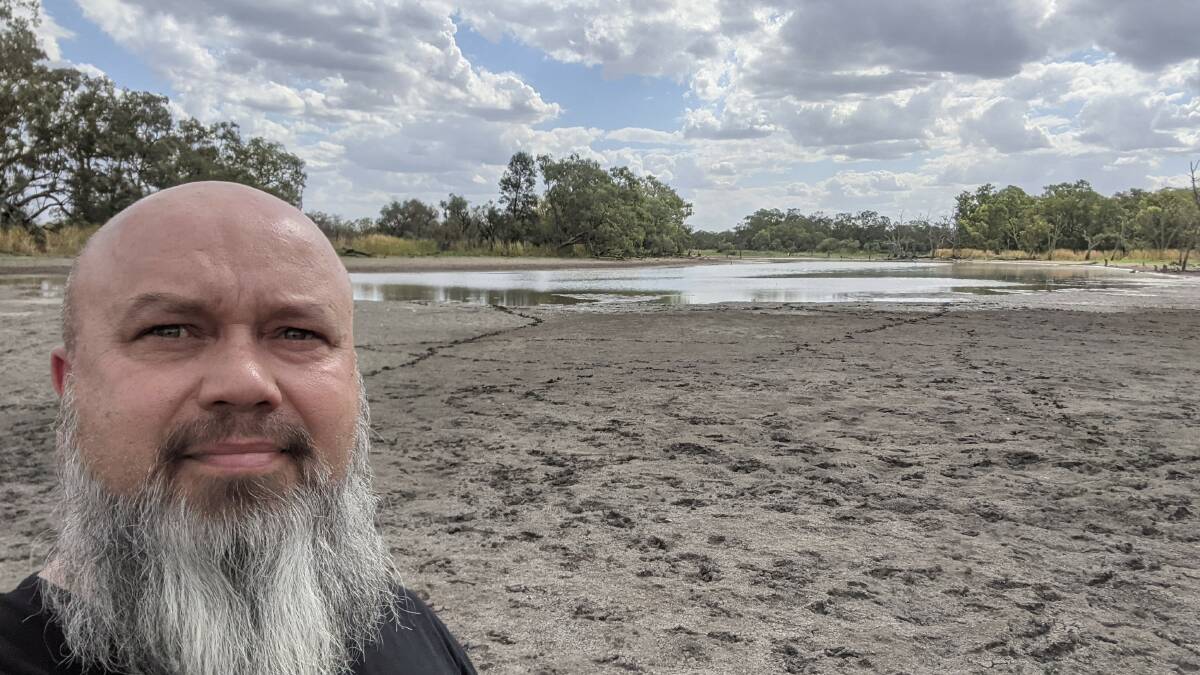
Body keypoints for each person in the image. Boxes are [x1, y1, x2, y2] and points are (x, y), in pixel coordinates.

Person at [0, 182, 476, 675]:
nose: (244, 383)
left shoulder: (409, 628)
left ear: (354, 380)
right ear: (70, 386)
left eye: (298, 333)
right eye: (169, 330)